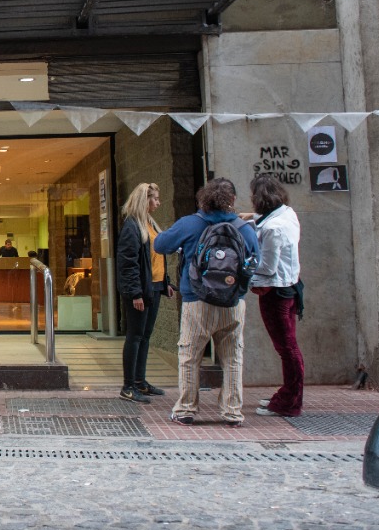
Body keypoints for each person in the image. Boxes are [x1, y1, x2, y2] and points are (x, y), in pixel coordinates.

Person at [154, 178, 260, 426]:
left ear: (203, 199)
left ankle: (186, 409)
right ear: (232, 200)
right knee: (233, 358)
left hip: (196, 300)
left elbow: (160, 245)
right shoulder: (243, 229)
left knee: (190, 355)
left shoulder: (191, 224)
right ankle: (232, 411)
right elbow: (255, 260)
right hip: (233, 303)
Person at [248, 174, 304, 417]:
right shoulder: (287, 215)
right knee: (289, 347)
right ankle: (289, 394)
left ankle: (288, 402)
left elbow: (267, 266)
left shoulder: (272, 228)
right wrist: (248, 218)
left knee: (287, 348)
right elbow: (263, 221)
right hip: (290, 287)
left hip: (275, 292)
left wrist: (243, 265)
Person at [115, 183, 174, 404]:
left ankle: (140, 381)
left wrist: (166, 282)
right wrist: (135, 293)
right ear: (144, 200)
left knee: (145, 336)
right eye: (155, 199)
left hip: (155, 287)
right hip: (140, 291)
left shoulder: (150, 224)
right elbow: (128, 263)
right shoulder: (132, 226)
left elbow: (156, 258)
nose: (158, 203)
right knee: (135, 336)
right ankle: (128, 386)